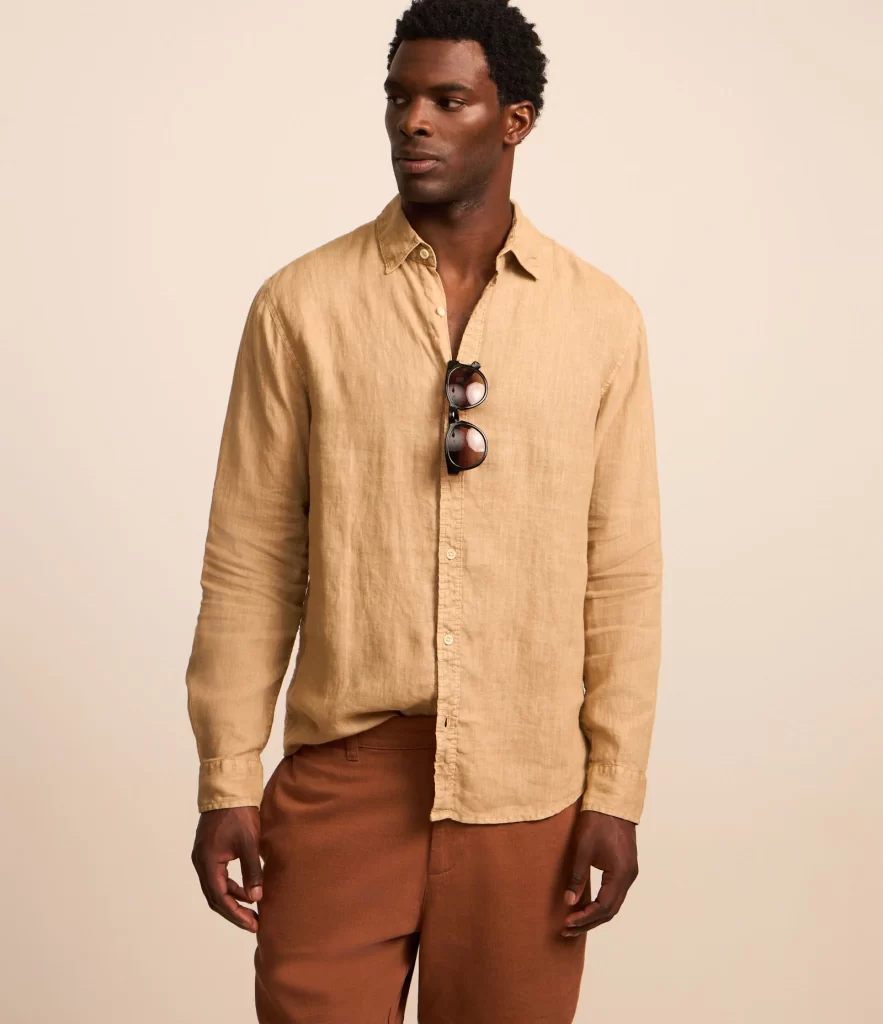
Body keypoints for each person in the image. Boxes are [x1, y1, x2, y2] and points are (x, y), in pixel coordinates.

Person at [185, 0, 664, 1020]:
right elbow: (251, 559)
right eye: (399, 98)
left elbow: (619, 573)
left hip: (528, 786)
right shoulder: (301, 305)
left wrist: (615, 793)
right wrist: (226, 777)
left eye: (448, 100)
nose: (414, 121)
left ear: (514, 120)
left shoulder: (599, 318)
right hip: (346, 775)